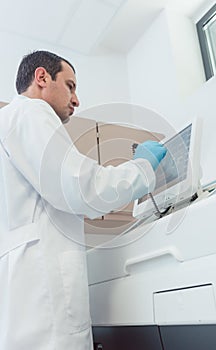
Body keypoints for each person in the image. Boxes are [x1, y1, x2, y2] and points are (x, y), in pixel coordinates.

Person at [0, 50, 166, 350]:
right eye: (70, 86)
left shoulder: (7, 123)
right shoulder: (31, 113)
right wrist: (141, 167)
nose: (76, 99)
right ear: (42, 78)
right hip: (44, 296)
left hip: (22, 295)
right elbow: (82, 187)